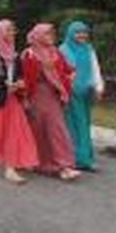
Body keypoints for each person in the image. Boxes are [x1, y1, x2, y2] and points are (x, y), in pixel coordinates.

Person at [0, 19, 39, 184]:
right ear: (0, 32)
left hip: (12, 99)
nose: (12, 34)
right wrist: (4, 83)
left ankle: (11, 168)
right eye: (9, 30)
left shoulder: (14, 53)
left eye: (13, 31)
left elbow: (18, 73)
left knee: (16, 132)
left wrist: (19, 82)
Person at [22, 23, 81, 181]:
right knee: (39, 130)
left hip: (53, 96)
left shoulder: (55, 52)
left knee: (57, 129)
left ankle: (65, 165)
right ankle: (42, 163)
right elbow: (26, 79)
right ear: (39, 36)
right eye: (47, 34)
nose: (51, 37)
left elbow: (68, 69)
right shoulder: (30, 54)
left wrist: (71, 76)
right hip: (37, 96)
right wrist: (25, 99)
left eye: (52, 34)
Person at [59, 21, 104, 171]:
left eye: (84, 32)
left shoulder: (89, 49)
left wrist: (99, 87)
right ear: (70, 33)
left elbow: (95, 69)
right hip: (68, 94)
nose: (82, 35)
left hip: (85, 93)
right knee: (70, 126)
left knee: (83, 124)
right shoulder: (63, 50)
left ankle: (84, 158)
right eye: (78, 32)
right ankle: (73, 158)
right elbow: (58, 72)